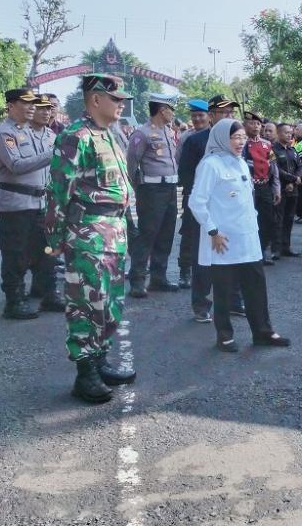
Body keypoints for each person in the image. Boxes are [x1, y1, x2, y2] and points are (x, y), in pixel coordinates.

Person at [45, 74, 136, 404]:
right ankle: (85, 373)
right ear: (95, 100)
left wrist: (130, 222)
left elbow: (122, 186)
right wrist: (54, 237)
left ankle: (100, 360)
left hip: (114, 232)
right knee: (86, 303)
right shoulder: (76, 137)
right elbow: (57, 192)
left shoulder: (110, 135)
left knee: (109, 303)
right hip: (87, 235)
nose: (121, 103)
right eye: (116, 98)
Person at [188, 119, 290, 352]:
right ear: (222, 138)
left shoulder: (241, 163)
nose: (240, 142)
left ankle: (263, 332)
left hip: (247, 237)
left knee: (256, 286)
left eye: (243, 137)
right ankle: (224, 335)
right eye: (235, 137)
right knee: (223, 290)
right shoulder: (210, 165)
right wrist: (212, 230)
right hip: (223, 239)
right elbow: (197, 202)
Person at [0, 88, 58, 319]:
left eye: (33, 104)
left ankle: (49, 293)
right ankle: (14, 302)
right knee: (15, 255)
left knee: (47, 252)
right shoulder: (5, 134)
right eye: (26, 103)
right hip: (16, 205)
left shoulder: (36, 133)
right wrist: (52, 153)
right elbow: (16, 165)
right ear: (10, 105)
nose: (32, 107)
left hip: (40, 203)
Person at [178, 95, 243, 323]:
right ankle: (202, 304)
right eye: (223, 113)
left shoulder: (237, 141)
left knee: (233, 254)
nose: (228, 117)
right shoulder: (196, 141)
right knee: (203, 258)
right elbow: (185, 177)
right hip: (205, 209)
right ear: (212, 115)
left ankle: (234, 301)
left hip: (231, 210)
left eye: (231, 113)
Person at [125, 97, 180, 297]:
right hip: (151, 190)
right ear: (162, 110)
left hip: (170, 188)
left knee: (166, 233)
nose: (173, 113)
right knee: (147, 234)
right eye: (171, 109)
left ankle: (159, 277)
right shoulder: (142, 133)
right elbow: (131, 161)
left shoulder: (169, 131)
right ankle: (137, 280)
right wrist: (135, 184)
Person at [27, 93, 66, 310]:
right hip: (26, 199)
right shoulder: (22, 134)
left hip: (50, 198)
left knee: (50, 247)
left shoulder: (55, 133)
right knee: (27, 249)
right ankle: (35, 287)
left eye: (50, 107)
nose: (47, 111)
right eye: (42, 107)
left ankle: (50, 292)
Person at [175, 99, 211, 288]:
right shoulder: (186, 138)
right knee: (189, 232)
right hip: (192, 193)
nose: (197, 119)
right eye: (194, 116)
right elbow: (180, 165)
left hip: (214, 196)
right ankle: (184, 271)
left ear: (208, 116)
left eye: (200, 115)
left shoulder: (216, 136)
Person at [242, 111, 281, 264]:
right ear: (245, 125)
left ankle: (262, 251)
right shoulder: (241, 143)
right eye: (252, 123)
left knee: (267, 220)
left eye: (258, 124)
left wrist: (276, 188)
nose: (256, 126)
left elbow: (274, 167)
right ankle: (248, 254)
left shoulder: (267, 144)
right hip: (247, 189)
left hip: (264, 187)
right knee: (249, 221)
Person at [271, 122, 302, 258]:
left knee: (289, 219)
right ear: (278, 133)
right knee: (278, 219)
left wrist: (295, 180)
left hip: (293, 190)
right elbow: (276, 169)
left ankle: (286, 247)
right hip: (280, 190)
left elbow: (299, 166)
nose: (289, 135)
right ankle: (276, 249)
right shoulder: (273, 150)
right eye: (286, 132)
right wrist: (293, 179)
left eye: (290, 132)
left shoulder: (293, 150)